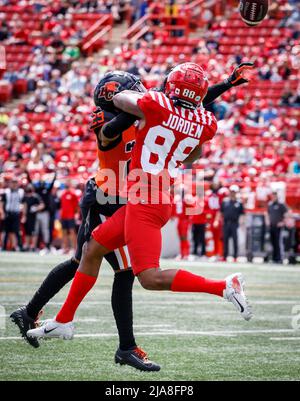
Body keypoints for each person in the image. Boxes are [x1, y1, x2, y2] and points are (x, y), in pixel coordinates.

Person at [27, 63, 253, 353]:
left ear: (170, 87)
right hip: (156, 195)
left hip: (145, 199)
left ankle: (224, 285)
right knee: (92, 248)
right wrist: (222, 86)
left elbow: (122, 100)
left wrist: (130, 99)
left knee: (149, 278)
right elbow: (193, 152)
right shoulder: (206, 122)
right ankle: (63, 320)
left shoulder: (155, 104)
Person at [11, 71, 161, 372]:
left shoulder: (130, 114)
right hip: (107, 201)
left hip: (110, 198)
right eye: (130, 92)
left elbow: (168, 109)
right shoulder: (109, 121)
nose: (138, 94)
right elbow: (133, 118)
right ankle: (126, 347)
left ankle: (28, 312)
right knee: (123, 271)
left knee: (80, 261)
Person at [220, 185, 244, 262]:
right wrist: (219, 221)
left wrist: (241, 223)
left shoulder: (239, 203)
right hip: (226, 223)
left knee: (235, 240)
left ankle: (235, 256)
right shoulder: (225, 201)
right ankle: (224, 256)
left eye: (234, 192)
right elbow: (221, 212)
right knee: (225, 240)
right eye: (231, 192)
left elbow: (242, 214)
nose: (232, 193)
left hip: (234, 223)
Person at [0, 178, 24, 251]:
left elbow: (23, 203)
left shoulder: (20, 192)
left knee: (16, 231)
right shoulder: (6, 192)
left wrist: (23, 213)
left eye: (15, 182)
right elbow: (2, 203)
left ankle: (17, 246)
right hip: (7, 213)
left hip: (16, 213)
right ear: (10, 183)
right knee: (6, 231)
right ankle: (4, 246)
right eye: (13, 182)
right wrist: (2, 212)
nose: (14, 184)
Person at [22, 184, 45, 252]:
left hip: (35, 217)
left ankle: (33, 246)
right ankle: (27, 245)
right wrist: (24, 216)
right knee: (27, 232)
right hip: (28, 216)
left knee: (34, 232)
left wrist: (36, 208)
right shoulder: (25, 197)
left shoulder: (36, 197)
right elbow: (24, 206)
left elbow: (42, 205)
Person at [267, 192, 288, 263]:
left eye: (274, 196)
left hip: (278, 227)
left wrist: (283, 222)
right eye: (272, 196)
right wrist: (268, 221)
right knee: (273, 242)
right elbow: (267, 214)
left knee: (278, 243)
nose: (273, 197)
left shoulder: (281, 204)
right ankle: (274, 258)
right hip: (272, 226)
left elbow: (287, 214)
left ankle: (280, 258)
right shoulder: (270, 204)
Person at [60, 181, 79, 253]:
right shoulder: (63, 194)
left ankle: (74, 249)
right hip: (63, 216)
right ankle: (65, 248)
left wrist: (76, 214)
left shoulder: (73, 194)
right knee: (64, 233)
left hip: (71, 216)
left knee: (72, 232)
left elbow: (77, 206)